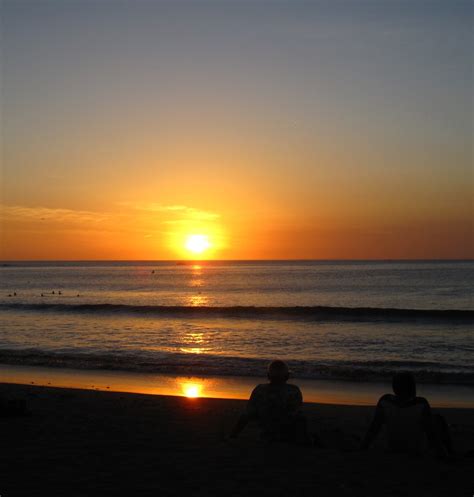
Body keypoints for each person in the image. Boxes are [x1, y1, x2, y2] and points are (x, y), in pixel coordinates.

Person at [361, 372, 452, 457]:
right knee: (439, 419)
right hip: (415, 450)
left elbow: (374, 429)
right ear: (412, 387)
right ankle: (450, 451)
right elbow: (430, 434)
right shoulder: (421, 403)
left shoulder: (385, 401)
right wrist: (440, 452)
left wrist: (364, 446)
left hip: (392, 448)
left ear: (394, 388)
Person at [229, 360, 319, 446]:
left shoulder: (260, 389)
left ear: (268, 376)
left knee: (247, 413)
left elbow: (247, 413)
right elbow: (295, 411)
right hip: (287, 428)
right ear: (287, 376)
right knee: (301, 418)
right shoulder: (293, 390)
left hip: (266, 426)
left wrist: (234, 433)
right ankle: (304, 440)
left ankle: (233, 435)